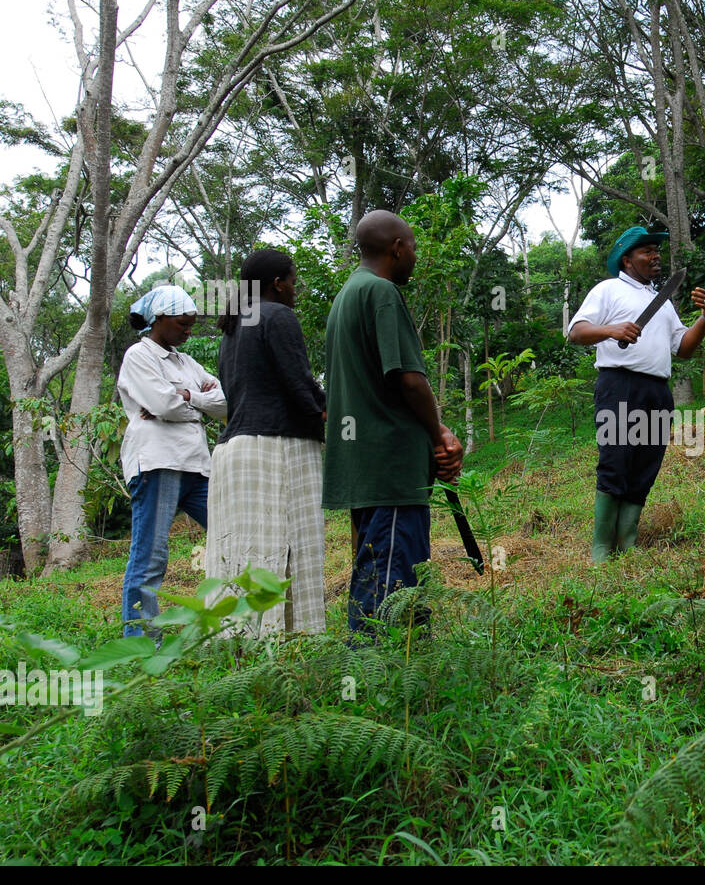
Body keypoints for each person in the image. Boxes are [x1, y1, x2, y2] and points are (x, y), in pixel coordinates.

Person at [323, 210, 463, 634]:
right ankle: (378, 674)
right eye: (414, 248)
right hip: (390, 465)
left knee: (378, 567)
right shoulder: (381, 293)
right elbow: (408, 379)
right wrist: (439, 432)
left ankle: (403, 672)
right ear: (397, 248)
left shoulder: (347, 294)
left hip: (364, 464)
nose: (415, 257)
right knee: (392, 578)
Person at [567, 226, 705, 562]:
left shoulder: (660, 301)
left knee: (646, 464)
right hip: (619, 386)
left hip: (656, 391)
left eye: (656, 250)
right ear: (627, 259)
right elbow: (576, 332)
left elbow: (684, 349)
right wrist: (611, 329)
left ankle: (627, 543)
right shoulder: (609, 290)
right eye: (647, 251)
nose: (656, 256)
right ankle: (601, 550)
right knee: (617, 460)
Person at [206, 249, 327, 635]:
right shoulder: (277, 315)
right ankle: (290, 641)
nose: (295, 290)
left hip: (234, 450)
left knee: (245, 554)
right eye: (293, 282)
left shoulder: (233, 325)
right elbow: (299, 384)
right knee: (293, 548)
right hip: (277, 447)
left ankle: (240, 644)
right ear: (277, 283)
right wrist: (330, 416)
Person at [118, 285, 227, 641]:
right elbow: (164, 405)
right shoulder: (139, 356)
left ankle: (233, 624)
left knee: (231, 532)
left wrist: (185, 396)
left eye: (191, 324)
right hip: (158, 463)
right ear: (159, 319)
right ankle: (143, 642)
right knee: (151, 556)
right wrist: (196, 401)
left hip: (196, 464)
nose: (188, 331)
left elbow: (227, 401)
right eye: (182, 323)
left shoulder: (184, 362)